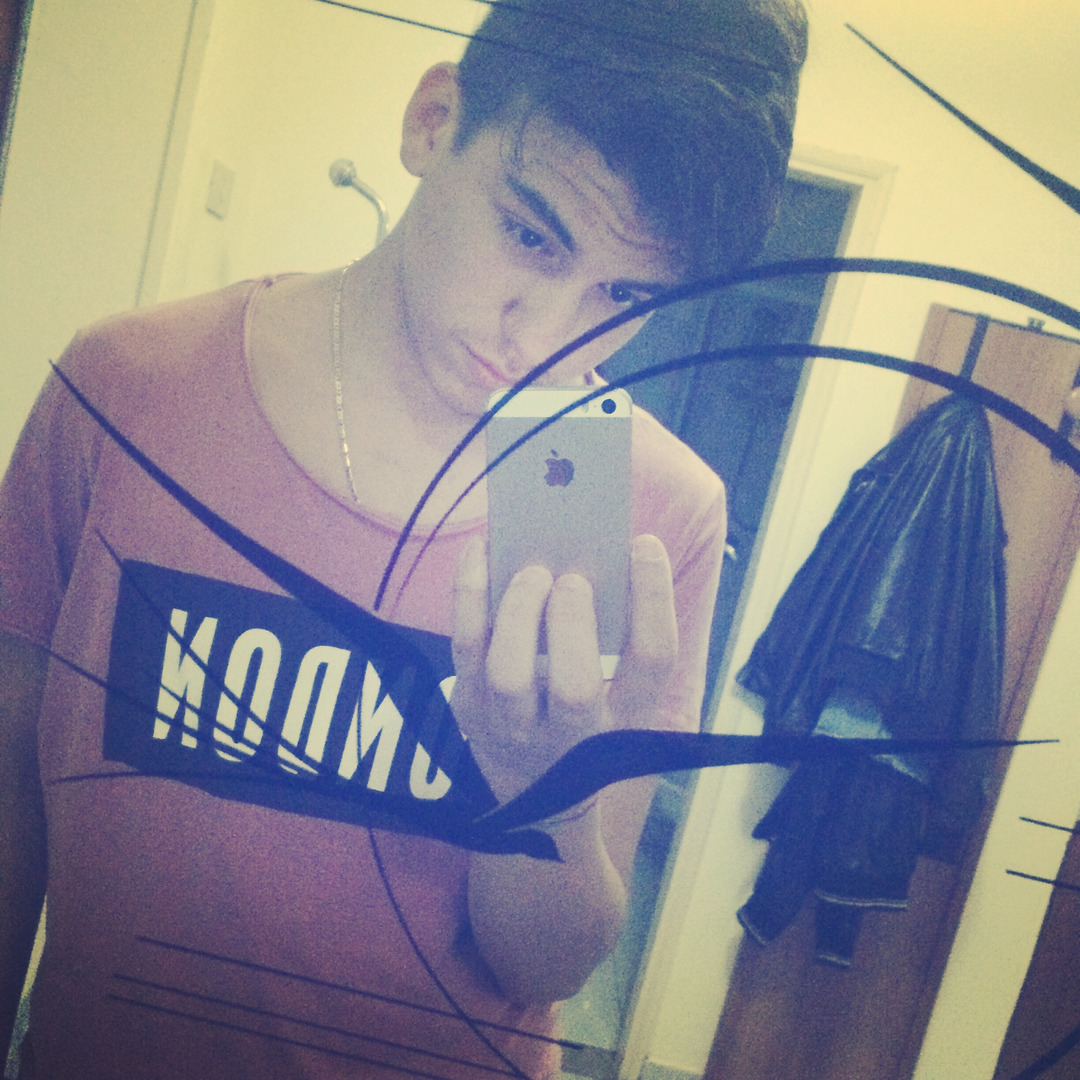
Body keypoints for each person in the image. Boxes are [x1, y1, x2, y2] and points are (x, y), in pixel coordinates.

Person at [0, 0, 807, 1076]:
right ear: (434, 121)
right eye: (531, 234)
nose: (547, 339)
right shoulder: (125, 389)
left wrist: (544, 789)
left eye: (625, 295)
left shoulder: (651, 512)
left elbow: (545, 967)